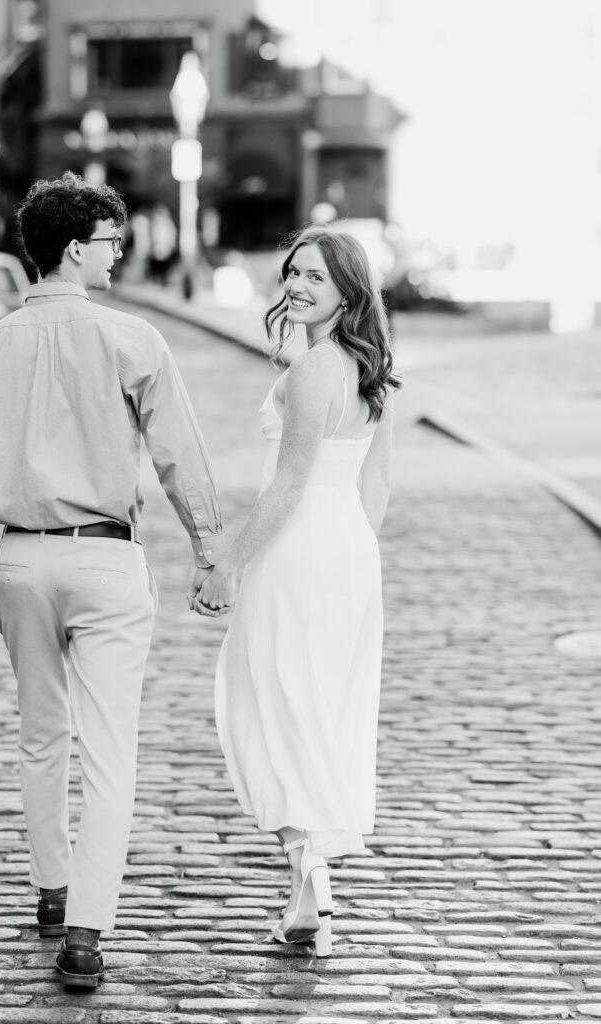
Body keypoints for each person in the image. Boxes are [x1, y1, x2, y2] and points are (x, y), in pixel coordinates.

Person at [0, 171, 222, 987]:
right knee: (109, 749)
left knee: (41, 733)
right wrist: (208, 548)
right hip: (104, 554)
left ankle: (51, 885)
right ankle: (85, 935)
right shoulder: (133, 339)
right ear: (74, 247)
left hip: (21, 556)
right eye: (111, 242)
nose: (118, 255)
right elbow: (179, 456)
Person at [192, 226, 401, 957]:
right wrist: (354, 551)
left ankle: (306, 858)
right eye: (292, 274)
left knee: (262, 702)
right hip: (348, 546)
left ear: (348, 288)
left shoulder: (317, 368)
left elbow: (288, 483)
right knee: (314, 705)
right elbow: (374, 479)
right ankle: (303, 889)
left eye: (314, 276)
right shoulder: (368, 367)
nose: (297, 286)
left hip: (300, 545)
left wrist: (229, 563)